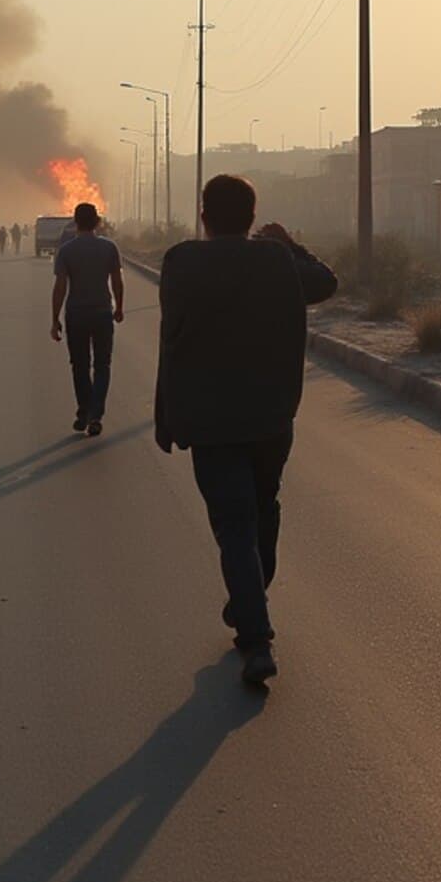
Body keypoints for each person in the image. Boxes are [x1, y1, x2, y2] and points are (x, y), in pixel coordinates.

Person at [155, 174, 337, 689]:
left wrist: (165, 414)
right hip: (270, 415)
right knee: (263, 509)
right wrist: (287, 243)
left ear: (204, 214)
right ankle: (250, 604)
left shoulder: (181, 262)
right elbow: (326, 282)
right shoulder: (276, 261)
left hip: (209, 420)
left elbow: (172, 340)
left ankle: (256, 637)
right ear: (253, 216)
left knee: (235, 527)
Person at [50, 201, 123, 436]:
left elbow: (60, 287)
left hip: (76, 314)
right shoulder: (109, 248)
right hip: (102, 313)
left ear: (75, 222)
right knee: (102, 365)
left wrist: (55, 319)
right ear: (98, 222)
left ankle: (84, 410)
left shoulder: (67, 251)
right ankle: (95, 414)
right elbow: (116, 281)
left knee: (79, 365)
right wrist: (119, 307)